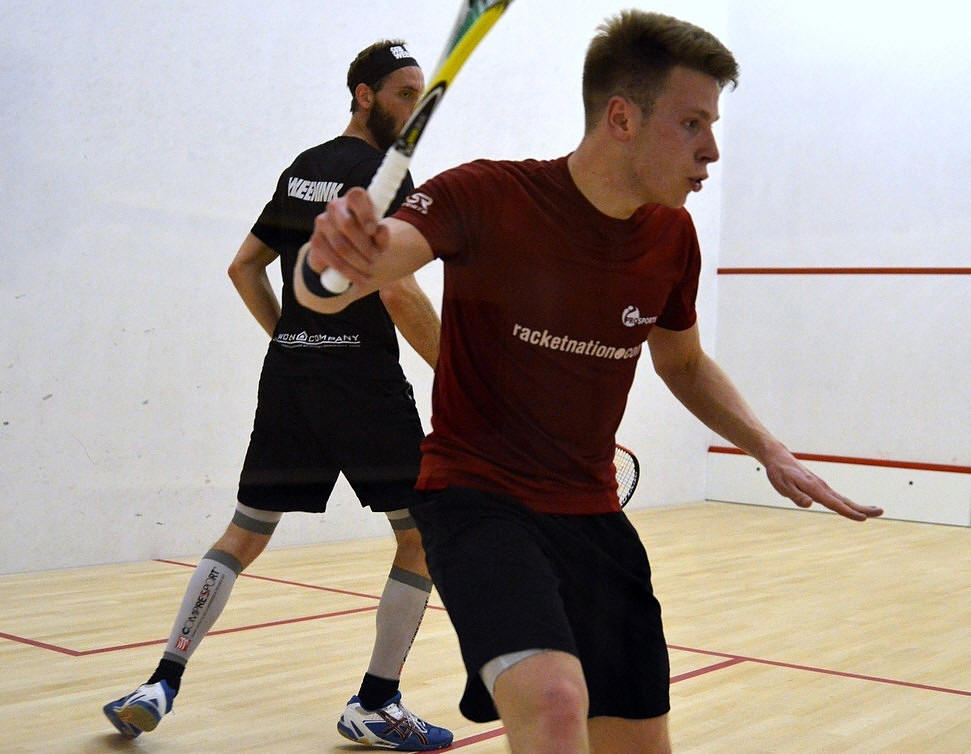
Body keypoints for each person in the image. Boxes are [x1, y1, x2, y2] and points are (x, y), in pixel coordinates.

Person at [295, 12, 884, 754]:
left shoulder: (672, 237)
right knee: (554, 702)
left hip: (593, 517)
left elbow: (683, 362)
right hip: (477, 502)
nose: (712, 149)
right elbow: (346, 281)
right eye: (692, 123)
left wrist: (769, 448)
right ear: (622, 118)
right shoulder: (485, 195)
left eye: (713, 125)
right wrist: (327, 262)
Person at [103, 40, 454, 751]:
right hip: (363, 383)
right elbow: (397, 291)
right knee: (421, 535)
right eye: (402, 94)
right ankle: (376, 703)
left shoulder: (304, 168)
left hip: (291, 377)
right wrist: (463, 373)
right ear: (363, 95)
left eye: (420, 96)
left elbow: (244, 266)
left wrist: (293, 337)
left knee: (245, 531)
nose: (413, 108)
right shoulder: (384, 176)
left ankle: (160, 682)